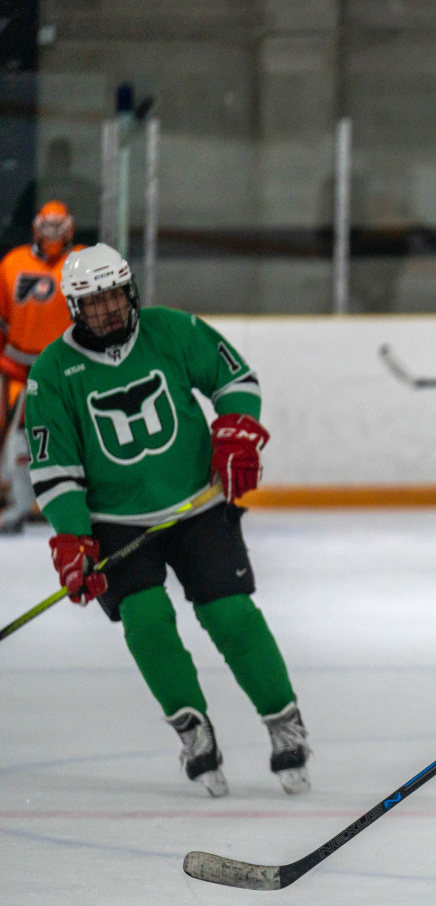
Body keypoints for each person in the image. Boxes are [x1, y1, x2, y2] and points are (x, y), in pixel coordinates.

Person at [24, 244, 312, 797]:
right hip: (115, 521)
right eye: (93, 301)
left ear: (129, 291)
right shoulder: (52, 372)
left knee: (231, 615)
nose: (107, 309)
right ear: (74, 307)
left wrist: (236, 430)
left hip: (197, 503)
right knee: (146, 621)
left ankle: (283, 719)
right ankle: (193, 729)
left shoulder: (172, 330)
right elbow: (55, 469)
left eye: (114, 295)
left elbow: (237, 379)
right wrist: (72, 536)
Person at [1, 201, 82, 533]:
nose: (52, 236)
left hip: (69, 371)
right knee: (19, 440)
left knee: (77, 439)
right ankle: (19, 503)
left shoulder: (83, 261)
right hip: (19, 371)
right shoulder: (12, 262)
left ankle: (80, 505)